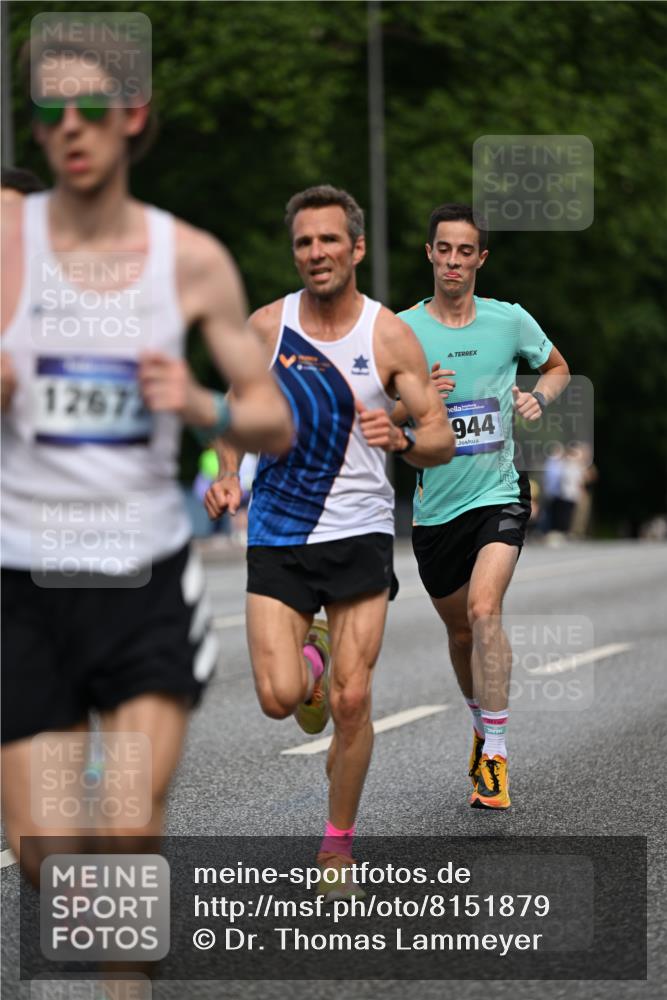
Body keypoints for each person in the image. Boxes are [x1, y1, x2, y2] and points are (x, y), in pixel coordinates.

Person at [0, 31, 292, 889]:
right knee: (48, 855)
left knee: (127, 824)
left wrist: (201, 404)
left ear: (133, 117)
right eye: (53, 109)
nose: (72, 125)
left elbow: (273, 420)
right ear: (38, 126)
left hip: (142, 578)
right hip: (24, 582)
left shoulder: (190, 260)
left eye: (93, 107)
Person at [205, 185, 454, 896]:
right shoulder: (266, 327)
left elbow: (438, 438)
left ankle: (337, 847)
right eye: (304, 242)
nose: (316, 252)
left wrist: (401, 440)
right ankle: (308, 662)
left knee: (351, 701)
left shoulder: (387, 336)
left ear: (357, 248)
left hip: (360, 530)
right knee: (278, 697)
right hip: (278, 530)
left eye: (329, 240)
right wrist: (227, 474)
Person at [394, 203, 570, 810]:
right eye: (444, 249)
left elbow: (557, 367)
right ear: (429, 253)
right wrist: (415, 400)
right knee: (461, 631)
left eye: (465, 252)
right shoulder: (401, 330)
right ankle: (479, 722)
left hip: (498, 492)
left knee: (484, 609)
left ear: (480, 259)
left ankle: (494, 754)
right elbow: (375, 414)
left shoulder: (508, 320)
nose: (453, 261)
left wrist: (540, 398)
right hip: (435, 508)